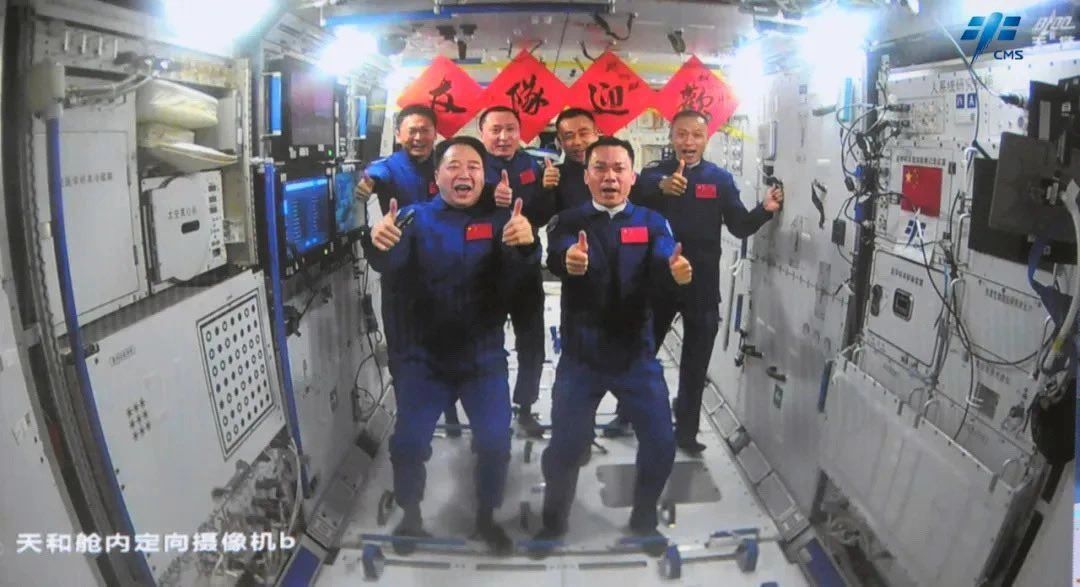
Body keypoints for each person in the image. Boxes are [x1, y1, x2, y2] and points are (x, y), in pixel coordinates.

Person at [363, 136, 539, 556]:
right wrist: (377, 241)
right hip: (424, 360)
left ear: (486, 175)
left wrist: (529, 244)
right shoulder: (411, 218)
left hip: (483, 359)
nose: (464, 173)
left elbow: (519, 280)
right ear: (436, 176)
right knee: (408, 443)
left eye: (474, 166)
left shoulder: (502, 222)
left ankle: (486, 517)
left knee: (496, 441)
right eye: (454, 165)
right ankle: (411, 515)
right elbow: (387, 261)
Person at [536, 136, 692, 552]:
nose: (610, 177)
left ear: (632, 176)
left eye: (619, 168)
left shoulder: (651, 221)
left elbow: (664, 253)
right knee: (566, 448)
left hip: (635, 357)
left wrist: (673, 268)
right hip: (581, 357)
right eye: (600, 168)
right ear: (587, 177)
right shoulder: (569, 221)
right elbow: (557, 252)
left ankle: (643, 520)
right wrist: (569, 260)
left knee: (660, 443)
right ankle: (553, 521)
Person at [631, 110, 783, 454]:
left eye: (696, 135)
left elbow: (740, 226)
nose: (688, 142)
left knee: (696, 363)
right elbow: (633, 200)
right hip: (657, 282)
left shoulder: (719, 180)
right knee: (642, 355)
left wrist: (765, 208)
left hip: (701, 287)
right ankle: (629, 414)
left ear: (706, 139)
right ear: (671, 138)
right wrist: (661, 188)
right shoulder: (653, 175)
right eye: (681, 134)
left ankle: (686, 432)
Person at [355, 104, 463, 436]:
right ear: (400, 134)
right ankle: (410, 419)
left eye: (425, 130)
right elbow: (374, 175)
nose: (418, 137)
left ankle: (450, 413)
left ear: (435, 133)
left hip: (443, 275)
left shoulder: (445, 164)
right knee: (403, 352)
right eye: (411, 131)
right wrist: (365, 182)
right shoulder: (389, 167)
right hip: (401, 277)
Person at [478, 106, 556, 438]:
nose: (503, 137)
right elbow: (452, 206)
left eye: (510, 129)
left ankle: (525, 406)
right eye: (495, 129)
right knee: (487, 344)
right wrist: (487, 199)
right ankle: (490, 410)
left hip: (524, 268)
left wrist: (549, 190)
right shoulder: (470, 164)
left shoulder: (534, 166)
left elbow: (543, 215)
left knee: (532, 343)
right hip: (483, 269)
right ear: (482, 133)